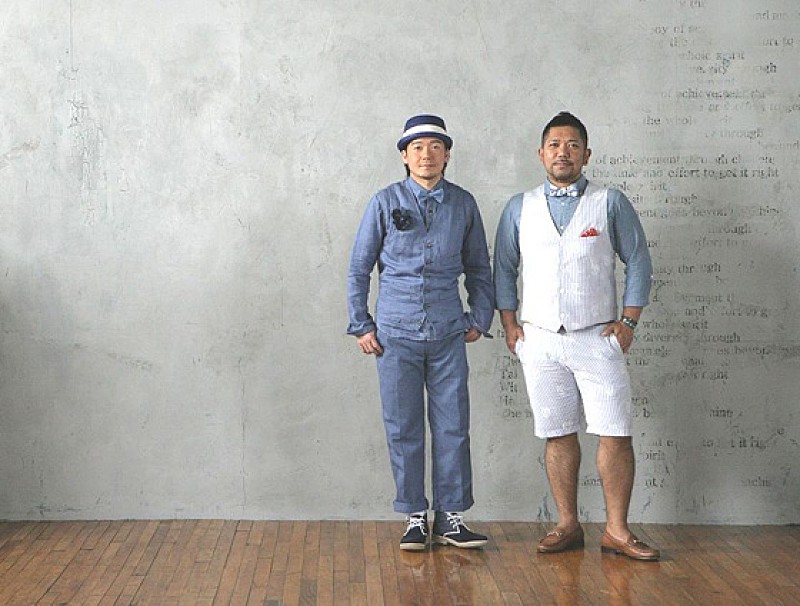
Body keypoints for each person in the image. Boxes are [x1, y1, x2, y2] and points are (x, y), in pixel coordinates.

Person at [493, 112, 660, 561]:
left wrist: (629, 321)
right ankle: (567, 524)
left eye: (572, 145)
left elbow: (639, 259)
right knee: (558, 432)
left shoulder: (610, 202)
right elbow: (503, 267)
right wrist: (510, 325)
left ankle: (617, 530)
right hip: (540, 338)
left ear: (586, 154)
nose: (562, 152)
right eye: (554, 145)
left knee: (615, 432)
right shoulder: (519, 207)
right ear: (541, 153)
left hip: (597, 337)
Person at [347, 114, 494, 551]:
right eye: (417, 148)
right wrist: (361, 323)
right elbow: (359, 268)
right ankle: (414, 515)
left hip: (448, 332)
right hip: (395, 334)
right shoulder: (384, 202)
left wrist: (479, 317)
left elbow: (479, 267)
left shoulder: (463, 204)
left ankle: (450, 517)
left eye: (435, 147)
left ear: (447, 155)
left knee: (453, 425)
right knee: (403, 425)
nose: (426, 155)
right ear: (404, 156)